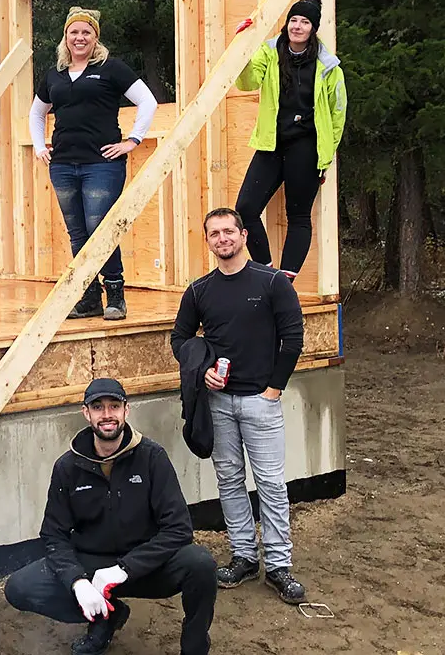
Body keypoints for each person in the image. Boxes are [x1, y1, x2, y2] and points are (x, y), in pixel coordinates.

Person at [4, 378, 217, 655]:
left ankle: (194, 648)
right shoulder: (67, 468)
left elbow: (179, 529)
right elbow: (53, 535)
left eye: (114, 406)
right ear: (86, 413)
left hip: (145, 565)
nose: (107, 415)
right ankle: (107, 617)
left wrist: (125, 568)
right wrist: (77, 581)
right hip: (92, 565)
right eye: (98, 407)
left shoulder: (152, 457)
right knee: (20, 587)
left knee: (200, 564)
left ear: (126, 411)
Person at [170, 207, 306, 603]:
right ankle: (244, 556)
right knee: (229, 481)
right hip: (219, 402)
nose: (222, 238)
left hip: (261, 402)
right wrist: (202, 370)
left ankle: (279, 565)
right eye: (214, 233)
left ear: (244, 235)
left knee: (270, 485)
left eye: (229, 231)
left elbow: (293, 338)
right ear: (208, 240)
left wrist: (274, 389)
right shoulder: (199, 291)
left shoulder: (272, 282)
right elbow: (180, 340)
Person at [29, 6, 157, 321]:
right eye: (74, 32)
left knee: (100, 228)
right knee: (77, 232)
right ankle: (88, 298)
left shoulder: (110, 68)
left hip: (102, 164)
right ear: (66, 37)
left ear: (95, 37)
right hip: (62, 164)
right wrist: (38, 145)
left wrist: (133, 140)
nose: (80, 37)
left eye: (86, 32)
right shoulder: (54, 75)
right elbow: (36, 112)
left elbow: (147, 101)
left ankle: (115, 293)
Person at [233, 0, 347, 281]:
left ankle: (285, 283)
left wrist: (326, 157)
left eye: (304, 22)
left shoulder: (328, 65)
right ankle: (266, 272)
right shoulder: (270, 51)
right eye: (293, 20)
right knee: (245, 208)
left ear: (313, 29)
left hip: (306, 145)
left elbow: (337, 116)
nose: (297, 26)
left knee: (298, 215)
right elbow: (246, 82)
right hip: (272, 142)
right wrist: (242, 46)